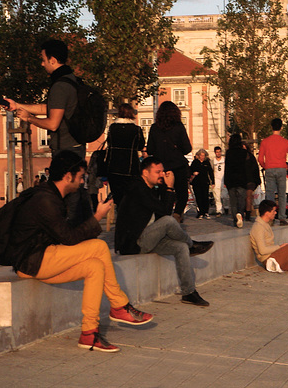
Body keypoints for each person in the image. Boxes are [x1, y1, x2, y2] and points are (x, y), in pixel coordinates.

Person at [11, 150, 153, 352]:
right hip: (33, 261)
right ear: (68, 176)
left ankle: (89, 333)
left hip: (40, 258)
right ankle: (119, 305)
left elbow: (66, 236)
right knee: (99, 246)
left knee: (94, 267)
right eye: (80, 177)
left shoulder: (51, 195)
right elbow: (68, 238)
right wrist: (96, 217)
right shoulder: (46, 200)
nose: (81, 182)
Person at [4, 39, 91, 224]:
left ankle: (72, 240)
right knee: (76, 196)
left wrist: (29, 119)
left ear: (52, 60)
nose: (42, 63)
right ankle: (84, 235)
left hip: (66, 150)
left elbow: (52, 123)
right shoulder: (72, 80)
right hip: (75, 146)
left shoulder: (60, 86)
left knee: (69, 200)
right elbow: (49, 108)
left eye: (43, 59)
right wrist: (18, 105)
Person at [115, 156, 213, 307]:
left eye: (162, 171)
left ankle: (189, 292)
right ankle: (191, 244)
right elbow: (165, 213)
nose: (162, 174)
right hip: (134, 243)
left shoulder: (150, 188)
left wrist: (165, 187)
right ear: (145, 173)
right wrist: (169, 187)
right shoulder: (137, 188)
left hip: (148, 237)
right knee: (169, 222)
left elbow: (161, 211)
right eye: (157, 171)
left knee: (180, 248)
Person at [147, 101, 192, 223]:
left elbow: (150, 149)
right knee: (182, 194)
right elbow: (188, 148)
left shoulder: (154, 128)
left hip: (161, 168)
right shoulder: (179, 127)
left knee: (162, 195)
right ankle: (177, 214)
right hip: (178, 165)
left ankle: (162, 219)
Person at [106, 103, 146, 209]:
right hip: (130, 166)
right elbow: (141, 145)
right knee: (131, 196)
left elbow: (109, 142)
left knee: (118, 195)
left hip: (114, 166)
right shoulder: (136, 129)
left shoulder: (113, 128)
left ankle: (120, 216)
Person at [258, 118, 288, 226]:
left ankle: (269, 218)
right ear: (281, 127)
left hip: (269, 168)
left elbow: (260, 158)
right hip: (281, 169)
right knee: (282, 194)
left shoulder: (265, 141)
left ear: (271, 127)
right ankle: (282, 217)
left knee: (269, 194)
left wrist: (265, 166)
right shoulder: (285, 142)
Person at [224, 134, 249, 228]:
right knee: (241, 201)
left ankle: (235, 220)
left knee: (233, 202)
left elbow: (227, 168)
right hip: (241, 179)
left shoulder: (228, 153)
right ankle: (240, 215)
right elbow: (246, 167)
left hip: (231, 180)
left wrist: (226, 181)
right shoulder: (243, 152)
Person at [189, 149, 214, 219]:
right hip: (196, 182)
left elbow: (210, 172)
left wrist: (212, 182)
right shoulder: (195, 162)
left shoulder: (207, 162)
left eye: (203, 155)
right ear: (199, 155)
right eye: (201, 155)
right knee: (198, 197)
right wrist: (193, 173)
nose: (202, 157)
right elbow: (190, 170)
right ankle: (200, 212)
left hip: (205, 182)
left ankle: (206, 212)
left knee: (205, 197)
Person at [242, 140, 261, 221]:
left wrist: (257, 180)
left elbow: (255, 169)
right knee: (244, 197)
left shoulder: (250, 157)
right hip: (243, 180)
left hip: (250, 180)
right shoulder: (239, 158)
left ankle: (248, 213)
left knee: (248, 197)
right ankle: (245, 212)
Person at [212, 146, 225, 216]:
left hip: (223, 179)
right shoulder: (213, 160)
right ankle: (219, 210)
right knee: (217, 196)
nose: (218, 153)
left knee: (225, 196)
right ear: (215, 153)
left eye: (219, 152)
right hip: (216, 180)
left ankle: (226, 207)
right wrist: (212, 182)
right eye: (217, 152)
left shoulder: (224, 159)